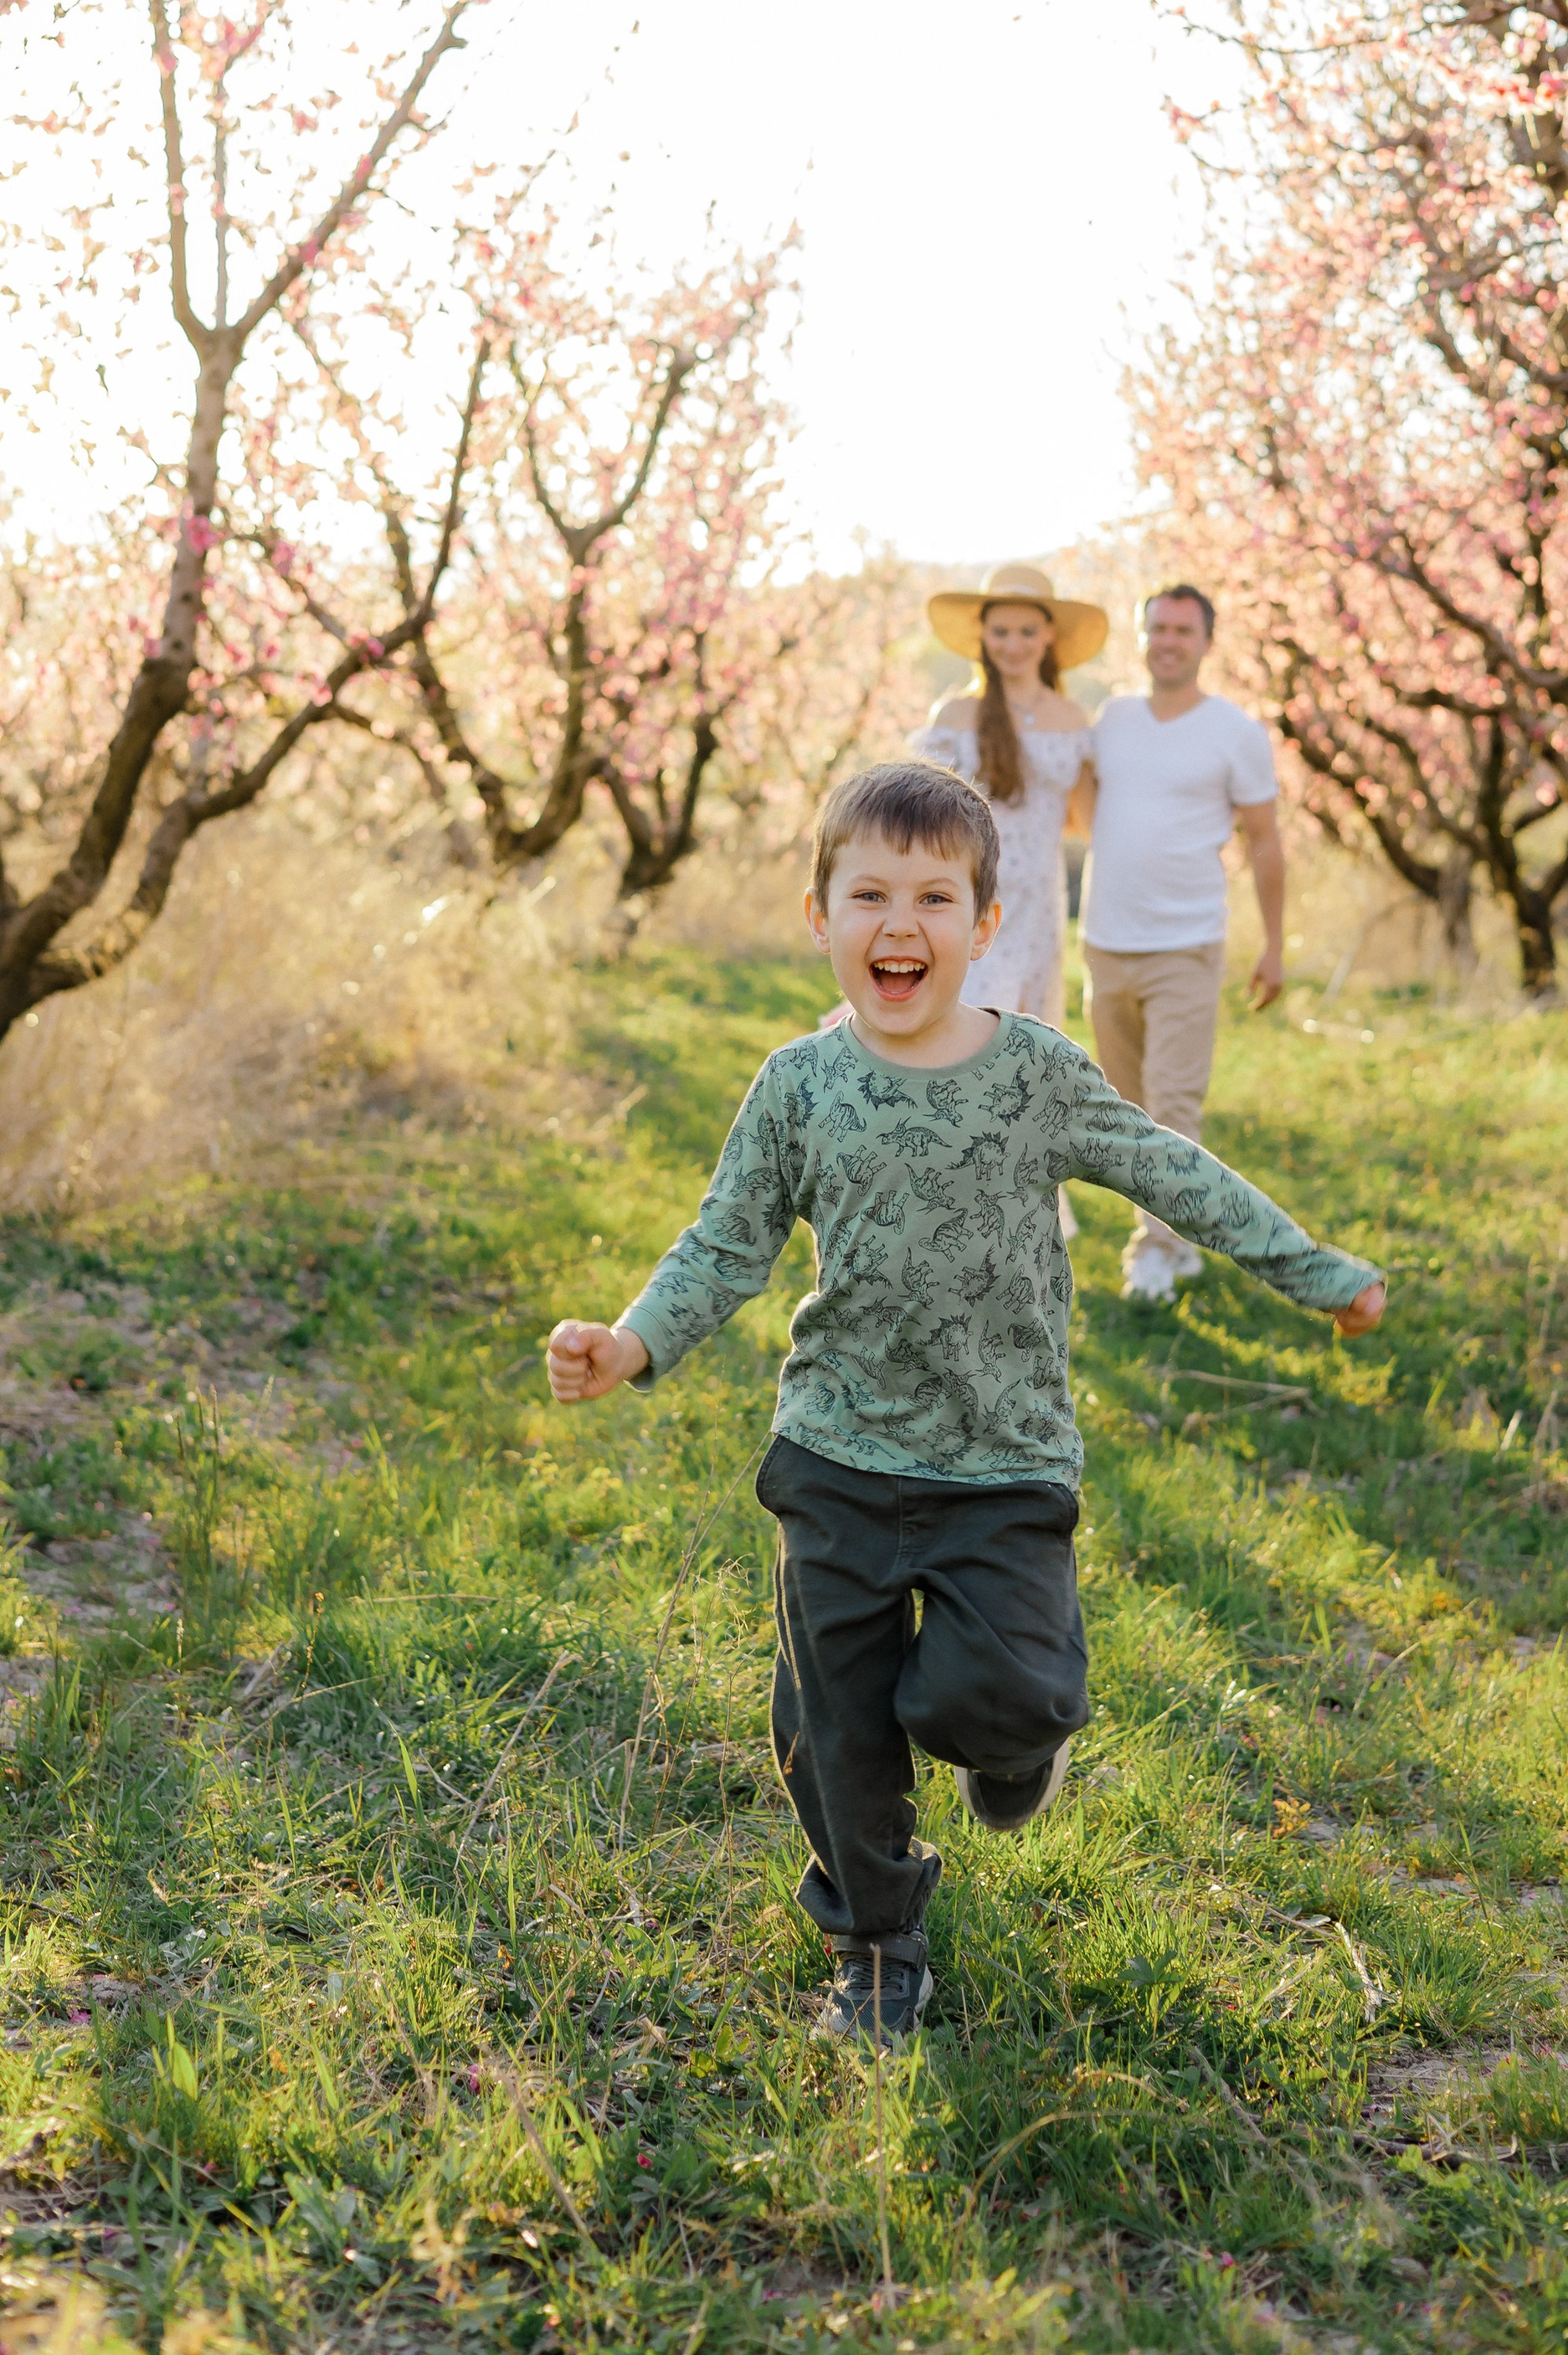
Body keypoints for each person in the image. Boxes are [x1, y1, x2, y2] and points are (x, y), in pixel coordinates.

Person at [544, 760, 1385, 2051]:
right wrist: (632, 1343)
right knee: (831, 1730)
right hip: (835, 1456)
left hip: (1003, 1464)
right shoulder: (798, 1088)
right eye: (868, 894)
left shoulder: (1034, 1075)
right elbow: (726, 1243)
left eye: (935, 898)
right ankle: (878, 1944)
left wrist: (1315, 1271)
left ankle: (1009, 1746)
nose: (900, 926)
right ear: (817, 915)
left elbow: (1174, 1172)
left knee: (995, 1692)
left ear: (986, 927)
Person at [1078, 582, 1287, 1304]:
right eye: (1157, 628)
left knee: (1172, 1106)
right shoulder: (1112, 720)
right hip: (1104, 943)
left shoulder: (1235, 731)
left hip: (1187, 945)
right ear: (1142, 638)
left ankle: (1157, 1252)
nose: (1168, 640)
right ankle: (1179, 1237)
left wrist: (1275, 946)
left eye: (1182, 630)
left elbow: (1264, 843)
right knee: (1128, 1115)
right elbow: (1079, 811)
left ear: (1206, 642)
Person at [907, 562, 1103, 1025]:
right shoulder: (957, 716)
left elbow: (1093, 824)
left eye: (1027, 631)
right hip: (974, 892)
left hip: (1041, 900)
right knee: (972, 1022)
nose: (1013, 645)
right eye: (1000, 632)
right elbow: (922, 816)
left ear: (1049, 635)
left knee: (1030, 1037)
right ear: (982, 634)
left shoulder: (1072, 719)